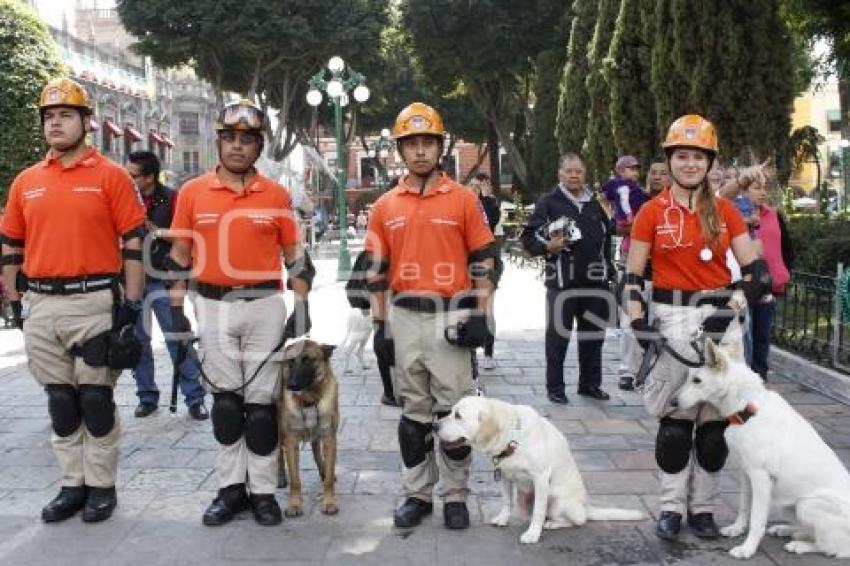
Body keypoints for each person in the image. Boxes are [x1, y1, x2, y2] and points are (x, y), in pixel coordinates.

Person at [1, 78, 146, 523]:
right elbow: (11, 243)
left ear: (86, 121)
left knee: (96, 400)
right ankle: (72, 484)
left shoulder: (112, 177)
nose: (55, 123)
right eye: (49, 116)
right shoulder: (26, 182)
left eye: (65, 115)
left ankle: (102, 486)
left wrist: (132, 305)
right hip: (41, 303)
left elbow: (134, 242)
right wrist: (12, 297)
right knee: (61, 402)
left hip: (95, 301)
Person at [166, 99, 314, 527]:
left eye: (246, 140)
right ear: (218, 142)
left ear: (258, 145)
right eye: (229, 138)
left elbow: (296, 257)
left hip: (265, 305)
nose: (237, 146)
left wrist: (302, 306)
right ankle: (231, 490)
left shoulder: (275, 194)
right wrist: (176, 314)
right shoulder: (192, 193)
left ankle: (263, 492)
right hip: (211, 305)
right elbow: (178, 254)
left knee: (262, 408)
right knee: (227, 406)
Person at [623, 114, 771, 541]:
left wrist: (732, 306)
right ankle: (670, 507)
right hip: (673, 319)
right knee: (675, 423)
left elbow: (755, 271)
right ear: (669, 160)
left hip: (723, 320)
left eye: (698, 156)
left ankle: (704, 508)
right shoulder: (651, 212)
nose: (689, 164)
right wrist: (639, 325)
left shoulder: (726, 211)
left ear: (710, 162)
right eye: (681, 156)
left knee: (715, 426)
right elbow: (632, 278)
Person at [365, 102, 497, 530]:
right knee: (412, 418)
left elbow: (484, 260)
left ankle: (456, 495)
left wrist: (483, 316)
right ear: (400, 150)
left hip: (450, 318)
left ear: (440, 146)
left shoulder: (463, 200)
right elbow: (377, 273)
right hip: (404, 317)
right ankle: (417, 495)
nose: (420, 151)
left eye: (427, 143)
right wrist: (379, 326)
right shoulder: (384, 206)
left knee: (455, 415)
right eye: (411, 144)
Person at [520, 153, 614, 404]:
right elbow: (528, 239)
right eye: (569, 171)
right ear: (559, 174)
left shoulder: (595, 204)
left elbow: (606, 241)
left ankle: (590, 384)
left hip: (595, 285)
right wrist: (547, 247)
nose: (574, 175)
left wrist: (609, 274)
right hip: (561, 284)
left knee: (594, 336)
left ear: (585, 174)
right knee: (557, 339)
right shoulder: (548, 202)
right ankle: (556, 388)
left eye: (579, 171)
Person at [125, 151, 208, 420]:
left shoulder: (173, 198)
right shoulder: (122, 198)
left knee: (177, 337)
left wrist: (153, 228)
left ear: (149, 177)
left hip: (163, 277)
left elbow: (186, 238)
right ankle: (146, 396)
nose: (128, 179)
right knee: (138, 341)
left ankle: (194, 397)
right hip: (132, 278)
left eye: (133, 175)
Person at [748, 177, 794, 380]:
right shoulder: (732, 215)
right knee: (743, 334)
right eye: (756, 188)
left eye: (764, 188)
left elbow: (786, 247)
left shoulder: (774, 215)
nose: (762, 192)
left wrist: (783, 272)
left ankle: (760, 374)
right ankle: (744, 374)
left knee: (762, 333)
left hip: (768, 284)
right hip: (742, 284)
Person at [468, 173, 501, 370]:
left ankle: (488, 353)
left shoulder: (487, 205)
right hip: (465, 264)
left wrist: (487, 198)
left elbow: (492, 222)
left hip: (487, 262)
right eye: (471, 185)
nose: (474, 188)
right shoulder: (462, 204)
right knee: (467, 309)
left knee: (488, 309)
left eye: (478, 186)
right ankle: (469, 352)